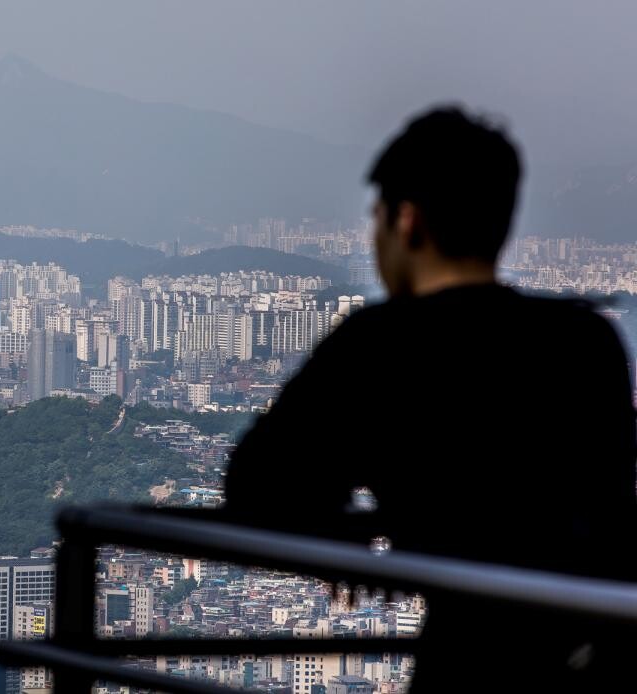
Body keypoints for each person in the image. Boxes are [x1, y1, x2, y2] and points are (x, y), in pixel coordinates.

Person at [222, 106, 637, 688]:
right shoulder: (584, 340)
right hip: (587, 656)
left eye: (378, 220)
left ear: (408, 222)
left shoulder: (382, 344)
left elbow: (256, 483)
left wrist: (346, 529)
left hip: (463, 660)